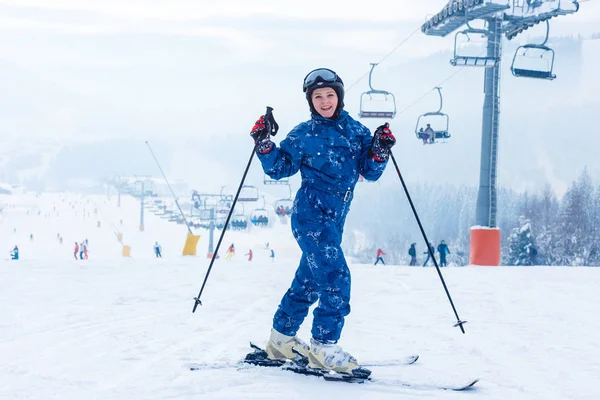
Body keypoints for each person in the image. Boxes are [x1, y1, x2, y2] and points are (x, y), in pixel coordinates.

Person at [251, 67, 395, 375]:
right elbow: (280, 168)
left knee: (309, 281)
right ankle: (324, 345)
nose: (325, 101)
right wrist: (264, 144)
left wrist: (380, 149)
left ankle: (281, 339)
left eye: (330, 95)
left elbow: (369, 171)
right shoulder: (303, 134)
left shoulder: (356, 132)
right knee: (336, 278)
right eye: (318, 97)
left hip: (334, 222)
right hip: (309, 218)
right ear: (310, 101)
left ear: (339, 97)